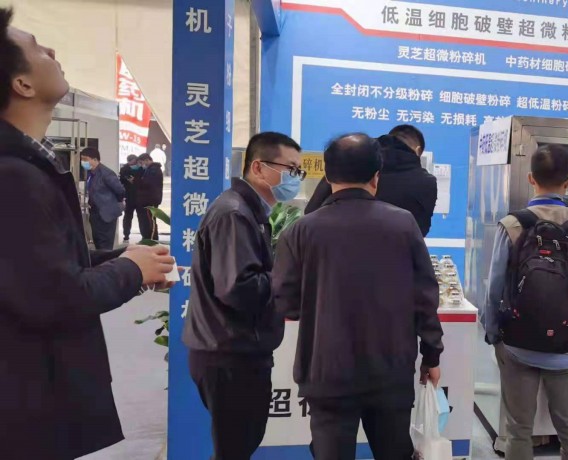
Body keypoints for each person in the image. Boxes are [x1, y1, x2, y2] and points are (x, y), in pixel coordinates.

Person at [0, 8, 176, 458]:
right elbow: (56, 295)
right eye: (37, 47)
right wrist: (129, 269)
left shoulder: (29, 167)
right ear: (22, 84)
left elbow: (42, 268)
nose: (51, 50)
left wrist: (127, 261)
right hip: (26, 402)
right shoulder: (14, 176)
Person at [273, 133, 444, 459]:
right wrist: (431, 355)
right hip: (390, 370)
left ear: (327, 176)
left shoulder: (300, 231)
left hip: (326, 373)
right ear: (376, 177)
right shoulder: (403, 224)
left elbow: (287, 303)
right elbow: (425, 297)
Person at [481, 144, 568, 460]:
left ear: (530, 178)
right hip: (566, 348)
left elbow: (494, 288)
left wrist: (494, 333)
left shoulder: (511, 225)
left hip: (517, 344)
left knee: (518, 428)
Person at [182, 132, 304, 460]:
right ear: (259, 167)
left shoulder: (249, 212)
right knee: (235, 447)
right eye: (290, 169)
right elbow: (238, 287)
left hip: (236, 350)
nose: (295, 178)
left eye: (299, 171)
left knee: (240, 443)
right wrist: (290, 276)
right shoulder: (234, 214)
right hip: (230, 353)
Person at [305, 124, 437, 236]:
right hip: (394, 254)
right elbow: (420, 232)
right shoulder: (426, 182)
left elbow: (312, 208)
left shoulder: (353, 158)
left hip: (336, 246)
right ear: (418, 150)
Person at [80, 147, 126, 250]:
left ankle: (107, 260)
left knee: (105, 244)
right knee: (97, 241)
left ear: (95, 159)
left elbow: (120, 190)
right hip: (95, 213)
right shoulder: (90, 173)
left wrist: (113, 203)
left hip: (106, 213)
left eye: (85, 159)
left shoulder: (106, 173)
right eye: (82, 159)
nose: (83, 162)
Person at [135, 152, 164, 240]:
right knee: (146, 221)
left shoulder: (154, 170)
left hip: (150, 201)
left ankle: (152, 239)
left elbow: (148, 184)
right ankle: (147, 238)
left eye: (142, 163)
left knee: (150, 221)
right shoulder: (149, 170)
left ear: (147, 160)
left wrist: (137, 181)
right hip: (146, 200)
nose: (141, 165)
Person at [120, 154, 140, 242]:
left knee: (141, 217)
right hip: (129, 196)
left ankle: (144, 235)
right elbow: (121, 181)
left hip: (139, 197)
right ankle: (126, 234)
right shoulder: (124, 170)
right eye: (133, 161)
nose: (135, 163)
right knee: (128, 217)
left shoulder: (141, 169)